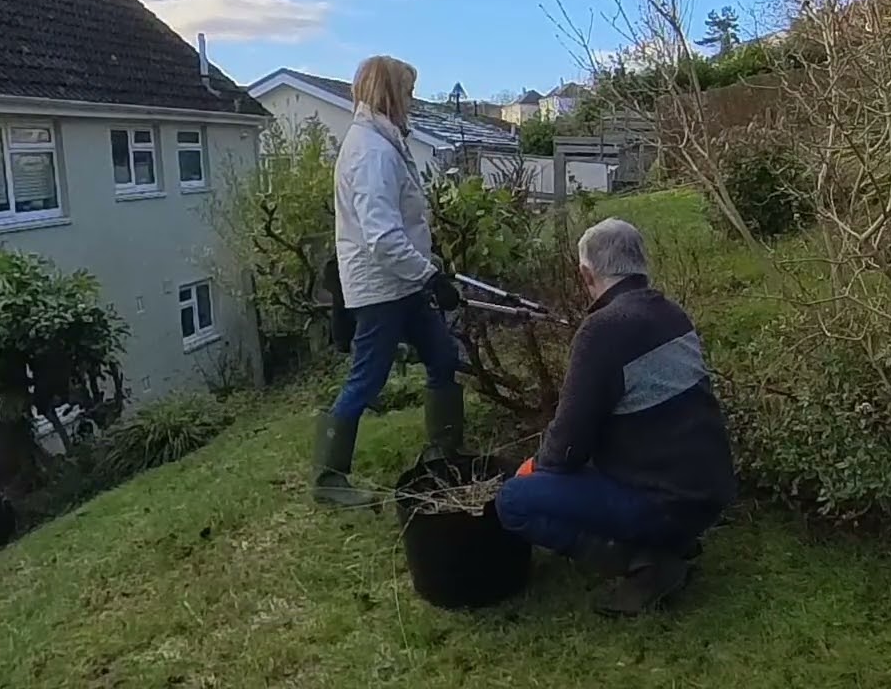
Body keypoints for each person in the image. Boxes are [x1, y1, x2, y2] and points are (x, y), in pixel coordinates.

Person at [496, 218, 736, 616]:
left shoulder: (603, 330)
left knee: (514, 501)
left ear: (586, 273)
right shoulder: (673, 314)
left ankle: (646, 563)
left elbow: (568, 446)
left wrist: (534, 466)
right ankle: (668, 542)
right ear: (641, 263)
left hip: (664, 501)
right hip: (707, 492)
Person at [314, 55, 463, 508]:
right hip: (382, 287)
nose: (413, 102)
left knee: (442, 355)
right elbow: (381, 236)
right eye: (409, 92)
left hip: (403, 282)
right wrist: (428, 275)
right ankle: (328, 479)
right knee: (367, 379)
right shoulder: (371, 152)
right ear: (392, 93)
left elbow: (403, 221)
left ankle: (443, 451)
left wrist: (428, 266)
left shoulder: (382, 141)